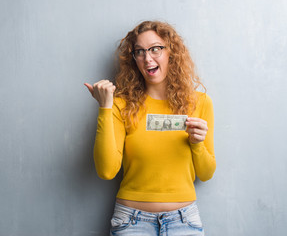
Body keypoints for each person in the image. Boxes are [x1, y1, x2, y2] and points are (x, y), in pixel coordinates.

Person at [84, 21, 216, 235]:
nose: (148, 58)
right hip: (132, 222)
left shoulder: (200, 103)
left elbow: (206, 173)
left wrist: (197, 144)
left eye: (155, 48)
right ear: (134, 59)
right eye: (140, 52)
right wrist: (105, 107)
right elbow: (106, 171)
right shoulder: (120, 104)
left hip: (184, 221)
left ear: (171, 52)